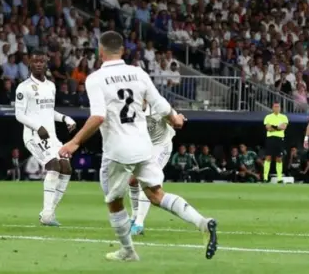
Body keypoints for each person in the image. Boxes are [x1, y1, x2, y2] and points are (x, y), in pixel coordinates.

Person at [58, 31, 217, 262]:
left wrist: (74, 142)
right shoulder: (138, 73)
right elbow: (160, 104)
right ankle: (202, 222)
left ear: (100, 52)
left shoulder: (95, 79)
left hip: (118, 150)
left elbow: (98, 117)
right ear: (122, 50)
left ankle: (128, 251)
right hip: (144, 146)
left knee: (113, 201)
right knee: (156, 194)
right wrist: (175, 119)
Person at [14, 49, 77, 226]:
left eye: (42, 61)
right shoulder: (24, 88)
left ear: (46, 63)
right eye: (35, 61)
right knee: (54, 166)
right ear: (30, 64)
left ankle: (48, 213)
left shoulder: (51, 86)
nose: (39, 64)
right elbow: (19, 115)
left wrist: (65, 118)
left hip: (51, 136)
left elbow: (49, 111)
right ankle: (48, 215)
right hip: (34, 136)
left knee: (66, 167)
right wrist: (37, 126)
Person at [128, 99, 184, 236]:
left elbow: (177, 121)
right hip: (144, 147)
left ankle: (139, 224)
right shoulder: (128, 109)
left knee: (147, 182)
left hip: (161, 147)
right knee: (132, 181)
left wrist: (179, 119)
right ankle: (134, 217)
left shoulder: (159, 106)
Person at [263, 102, 288, 182]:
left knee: (279, 158)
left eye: (278, 107)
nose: (276, 108)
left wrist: (273, 127)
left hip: (279, 138)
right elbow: (268, 128)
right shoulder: (268, 117)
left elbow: (283, 127)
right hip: (270, 138)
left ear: (280, 108)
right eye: (275, 106)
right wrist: (278, 127)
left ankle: (279, 178)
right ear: (272, 108)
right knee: (268, 157)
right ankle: (265, 177)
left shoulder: (284, 117)